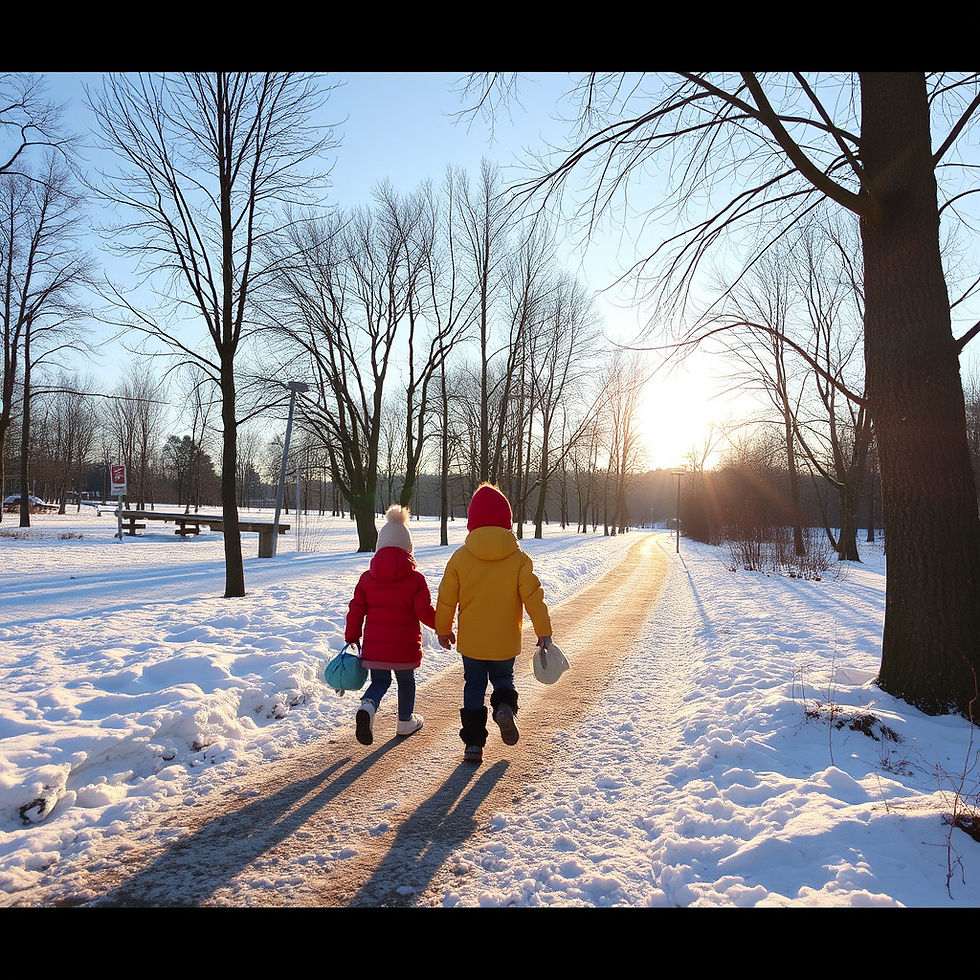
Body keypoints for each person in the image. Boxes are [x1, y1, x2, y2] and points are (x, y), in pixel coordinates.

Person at [435, 483, 555, 763]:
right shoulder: (519, 559)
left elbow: (446, 598)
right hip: (504, 641)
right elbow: (534, 598)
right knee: (503, 679)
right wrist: (543, 632)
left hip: (473, 643)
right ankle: (503, 708)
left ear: (472, 521)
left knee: (473, 686)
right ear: (507, 520)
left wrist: (443, 629)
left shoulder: (460, 558)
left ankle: (474, 744)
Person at [345, 505, 436, 746]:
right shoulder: (416, 579)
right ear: (409, 548)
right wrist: (444, 625)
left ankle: (368, 705)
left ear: (380, 546)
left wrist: (352, 637)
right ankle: (405, 721)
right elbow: (424, 611)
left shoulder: (367, 578)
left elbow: (356, 610)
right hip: (404, 648)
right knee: (406, 682)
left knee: (380, 682)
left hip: (376, 648)